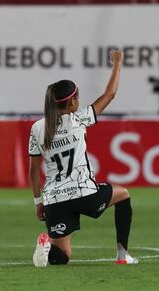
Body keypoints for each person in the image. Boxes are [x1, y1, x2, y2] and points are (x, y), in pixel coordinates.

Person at [29, 50, 138, 267]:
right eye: (77, 98)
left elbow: (33, 171)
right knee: (124, 195)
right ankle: (122, 255)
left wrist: (38, 202)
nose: (79, 101)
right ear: (71, 104)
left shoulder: (37, 128)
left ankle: (47, 246)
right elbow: (110, 95)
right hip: (84, 194)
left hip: (54, 200)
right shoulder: (78, 120)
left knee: (63, 257)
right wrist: (117, 63)